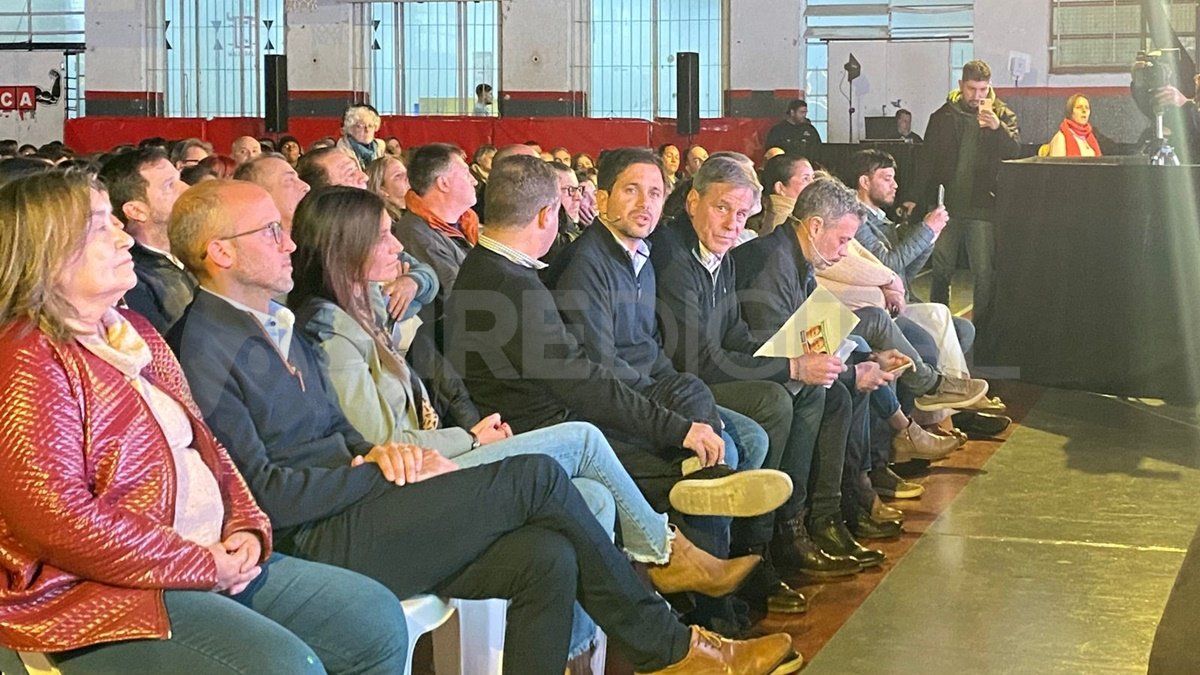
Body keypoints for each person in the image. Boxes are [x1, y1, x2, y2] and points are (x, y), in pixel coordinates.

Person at [166, 178, 802, 675]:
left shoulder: (271, 323)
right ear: (220, 251)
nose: (289, 243)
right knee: (537, 475)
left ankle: (661, 605)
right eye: (272, 230)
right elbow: (263, 495)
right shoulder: (206, 348)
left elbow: (343, 432)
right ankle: (670, 643)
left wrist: (386, 455)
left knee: (544, 557)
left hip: (365, 500)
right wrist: (374, 471)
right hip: (319, 536)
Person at [0, 170, 410, 674]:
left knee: (372, 617)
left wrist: (247, 527)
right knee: (284, 667)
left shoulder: (136, 333)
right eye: (100, 226)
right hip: (106, 594)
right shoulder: (27, 359)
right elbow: (57, 520)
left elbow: (208, 448)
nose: (124, 236)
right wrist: (200, 563)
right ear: (48, 251)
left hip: (207, 556)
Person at [289, 184, 764, 598]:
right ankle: (670, 555)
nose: (398, 245)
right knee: (591, 439)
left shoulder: (377, 304)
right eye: (384, 236)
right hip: (425, 477)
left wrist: (417, 281)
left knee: (603, 490)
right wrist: (472, 438)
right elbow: (388, 447)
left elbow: (441, 361)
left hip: (476, 435)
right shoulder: (333, 330)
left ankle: (594, 648)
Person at [652, 156, 874, 612]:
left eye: (741, 215)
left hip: (706, 370)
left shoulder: (719, 255)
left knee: (815, 389)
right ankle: (757, 549)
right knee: (775, 400)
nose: (734, 224)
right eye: (723, 209)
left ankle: (790, 529)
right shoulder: (675, 257)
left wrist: (795, 357)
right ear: (693, 201)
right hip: (680, 384)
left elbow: (734, 335)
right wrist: (790, 366)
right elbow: (696, 359)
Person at [847, 149, 1011, 438]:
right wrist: (925, 230)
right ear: (863, 181)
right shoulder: (857, 222)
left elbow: (904, 273)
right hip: (881, 307)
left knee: (963, 328)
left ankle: (954, 408)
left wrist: (930, 239)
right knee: (939, 315)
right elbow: (889, 267)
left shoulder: (880, 220)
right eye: (886, 178)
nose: (895, 185)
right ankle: (951, 410)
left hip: (895, 302)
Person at [906, 60, 1021, 330]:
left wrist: (997, 129)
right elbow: (926, 161)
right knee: (941, 269)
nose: (978, 96)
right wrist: (912, 197)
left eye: (983, 89)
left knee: (983, 271)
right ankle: (937, 324)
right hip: (946, 206)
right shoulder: (943, 116)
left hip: (983, 206)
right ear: (961, 85)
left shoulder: (1003, 115)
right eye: (972, 89)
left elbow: (1015, 151)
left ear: (990, 87)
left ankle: (982, 329)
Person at [99, 147, 195, 334]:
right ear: (136, 211)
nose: (186, 189)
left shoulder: (193, 252)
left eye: (179, 179)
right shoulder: (132, 281)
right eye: (169, 185)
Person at [391, 143, 479, 315]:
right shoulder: (417, 233)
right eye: (466, 173)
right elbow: (462, 301)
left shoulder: (465, 224)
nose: (474, 180)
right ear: (443, 183)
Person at [746, 154, 814, 236]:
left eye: (813, 178)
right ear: (780, 188)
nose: (813, 184)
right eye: (805, 179)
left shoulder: (766, 214)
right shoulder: (787, 224)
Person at [336, 104, 386, 170]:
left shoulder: (380, 147)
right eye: (360, 126)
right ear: (350, 128)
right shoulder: (341, 151)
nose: (367, 130)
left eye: (370, 126)